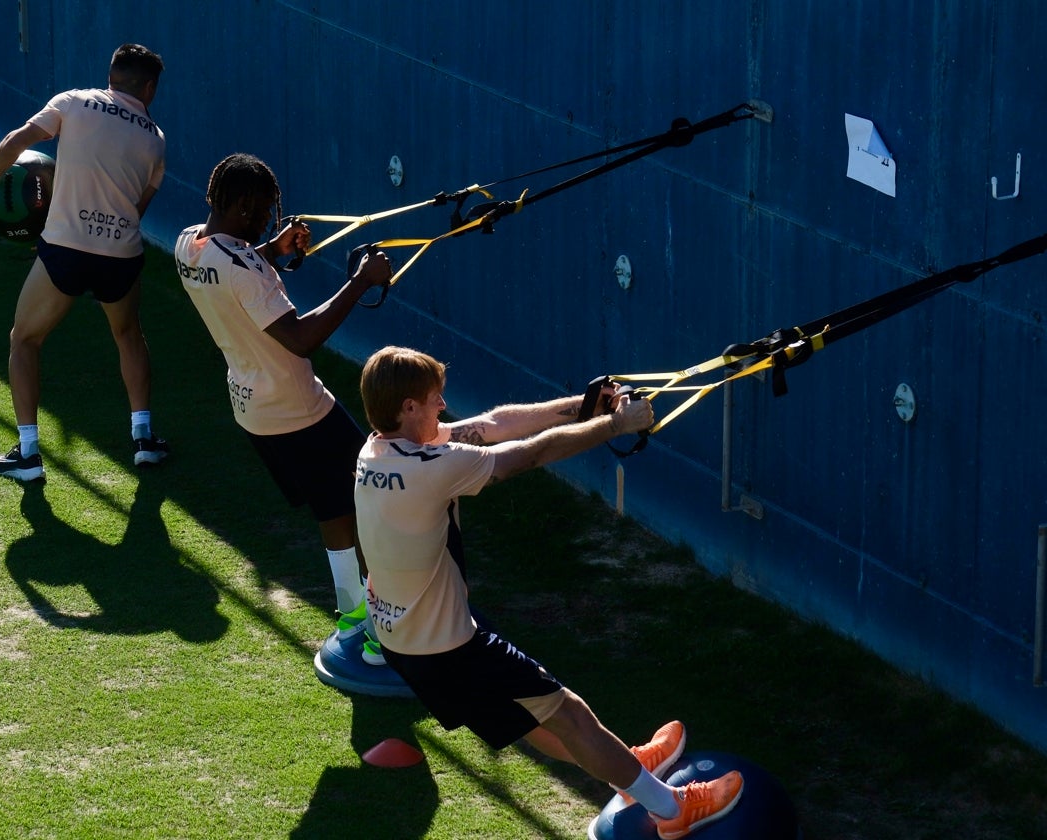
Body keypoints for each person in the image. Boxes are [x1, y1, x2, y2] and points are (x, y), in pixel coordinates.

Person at [354, 345, 744, 839]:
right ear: (408, 407)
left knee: (537, 722)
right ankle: (670, 810)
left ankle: (628, 769)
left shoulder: (377, 451)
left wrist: (581, 407)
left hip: (405, 642)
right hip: (449, 648)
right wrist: (614, 427)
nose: (442, 408)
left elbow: (495, 423)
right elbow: (529, 453)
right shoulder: (432, 467)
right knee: (568, 712)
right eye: (434, 400)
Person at [174, 153, 394, 668]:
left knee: (332, 509)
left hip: (254, 413)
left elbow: (235, 268)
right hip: (302, 410)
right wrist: (362, 280)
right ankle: (384, 636)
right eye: (266, 214)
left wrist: (271, 249)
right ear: (245, 206)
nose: (269, 222)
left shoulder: (189, 244)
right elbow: (300, 337)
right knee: (374, 504)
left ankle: (352, 615)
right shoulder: (247, 268)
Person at [0, 43, 168, 481]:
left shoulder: (74, 101)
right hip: (121, 256)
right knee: (128, 334)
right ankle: (143, 440)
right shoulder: (156, 142)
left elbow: (16, 141)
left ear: (112, 75)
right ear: (150, 88)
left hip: (65, 250)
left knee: (24, 339)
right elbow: (136, 211)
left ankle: (27, 454)